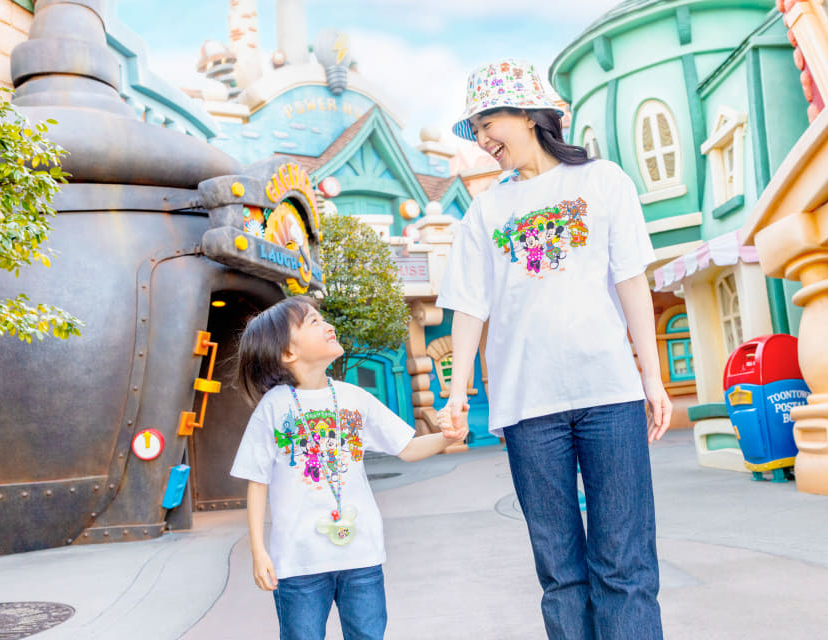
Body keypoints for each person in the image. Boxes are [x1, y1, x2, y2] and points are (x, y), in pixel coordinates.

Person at [436, 59, 672, 640]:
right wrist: (457, 390)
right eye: (475, 129)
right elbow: (468, 305)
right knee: (561, 574)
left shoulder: (603, 180)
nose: (482, 140)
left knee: (625, 564)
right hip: (527, 406)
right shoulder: (485, 210)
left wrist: (652, 377)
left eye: (487, 123)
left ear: (527, 113)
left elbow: (631, 280)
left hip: (608, 393)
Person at [231, 296, 467, 640]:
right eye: (313, 322)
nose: (328, 326)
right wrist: (258, 551)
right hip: (299, 561)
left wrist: (447, 437)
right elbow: (257, 480)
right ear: (288, 353)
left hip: (361, 555)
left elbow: (407, 448)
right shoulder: (274, 407)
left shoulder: (354, 397)